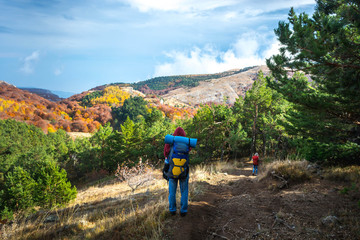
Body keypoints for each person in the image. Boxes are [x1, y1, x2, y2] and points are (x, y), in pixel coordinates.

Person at [163, 127, 190, 217]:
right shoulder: (186, 142)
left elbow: (165, 154)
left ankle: (172, 210)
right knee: (184, 191)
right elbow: (189, 150)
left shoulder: (170, 142)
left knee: (172, 192)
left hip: (172, 171)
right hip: (183, 171)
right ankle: (183, 211)